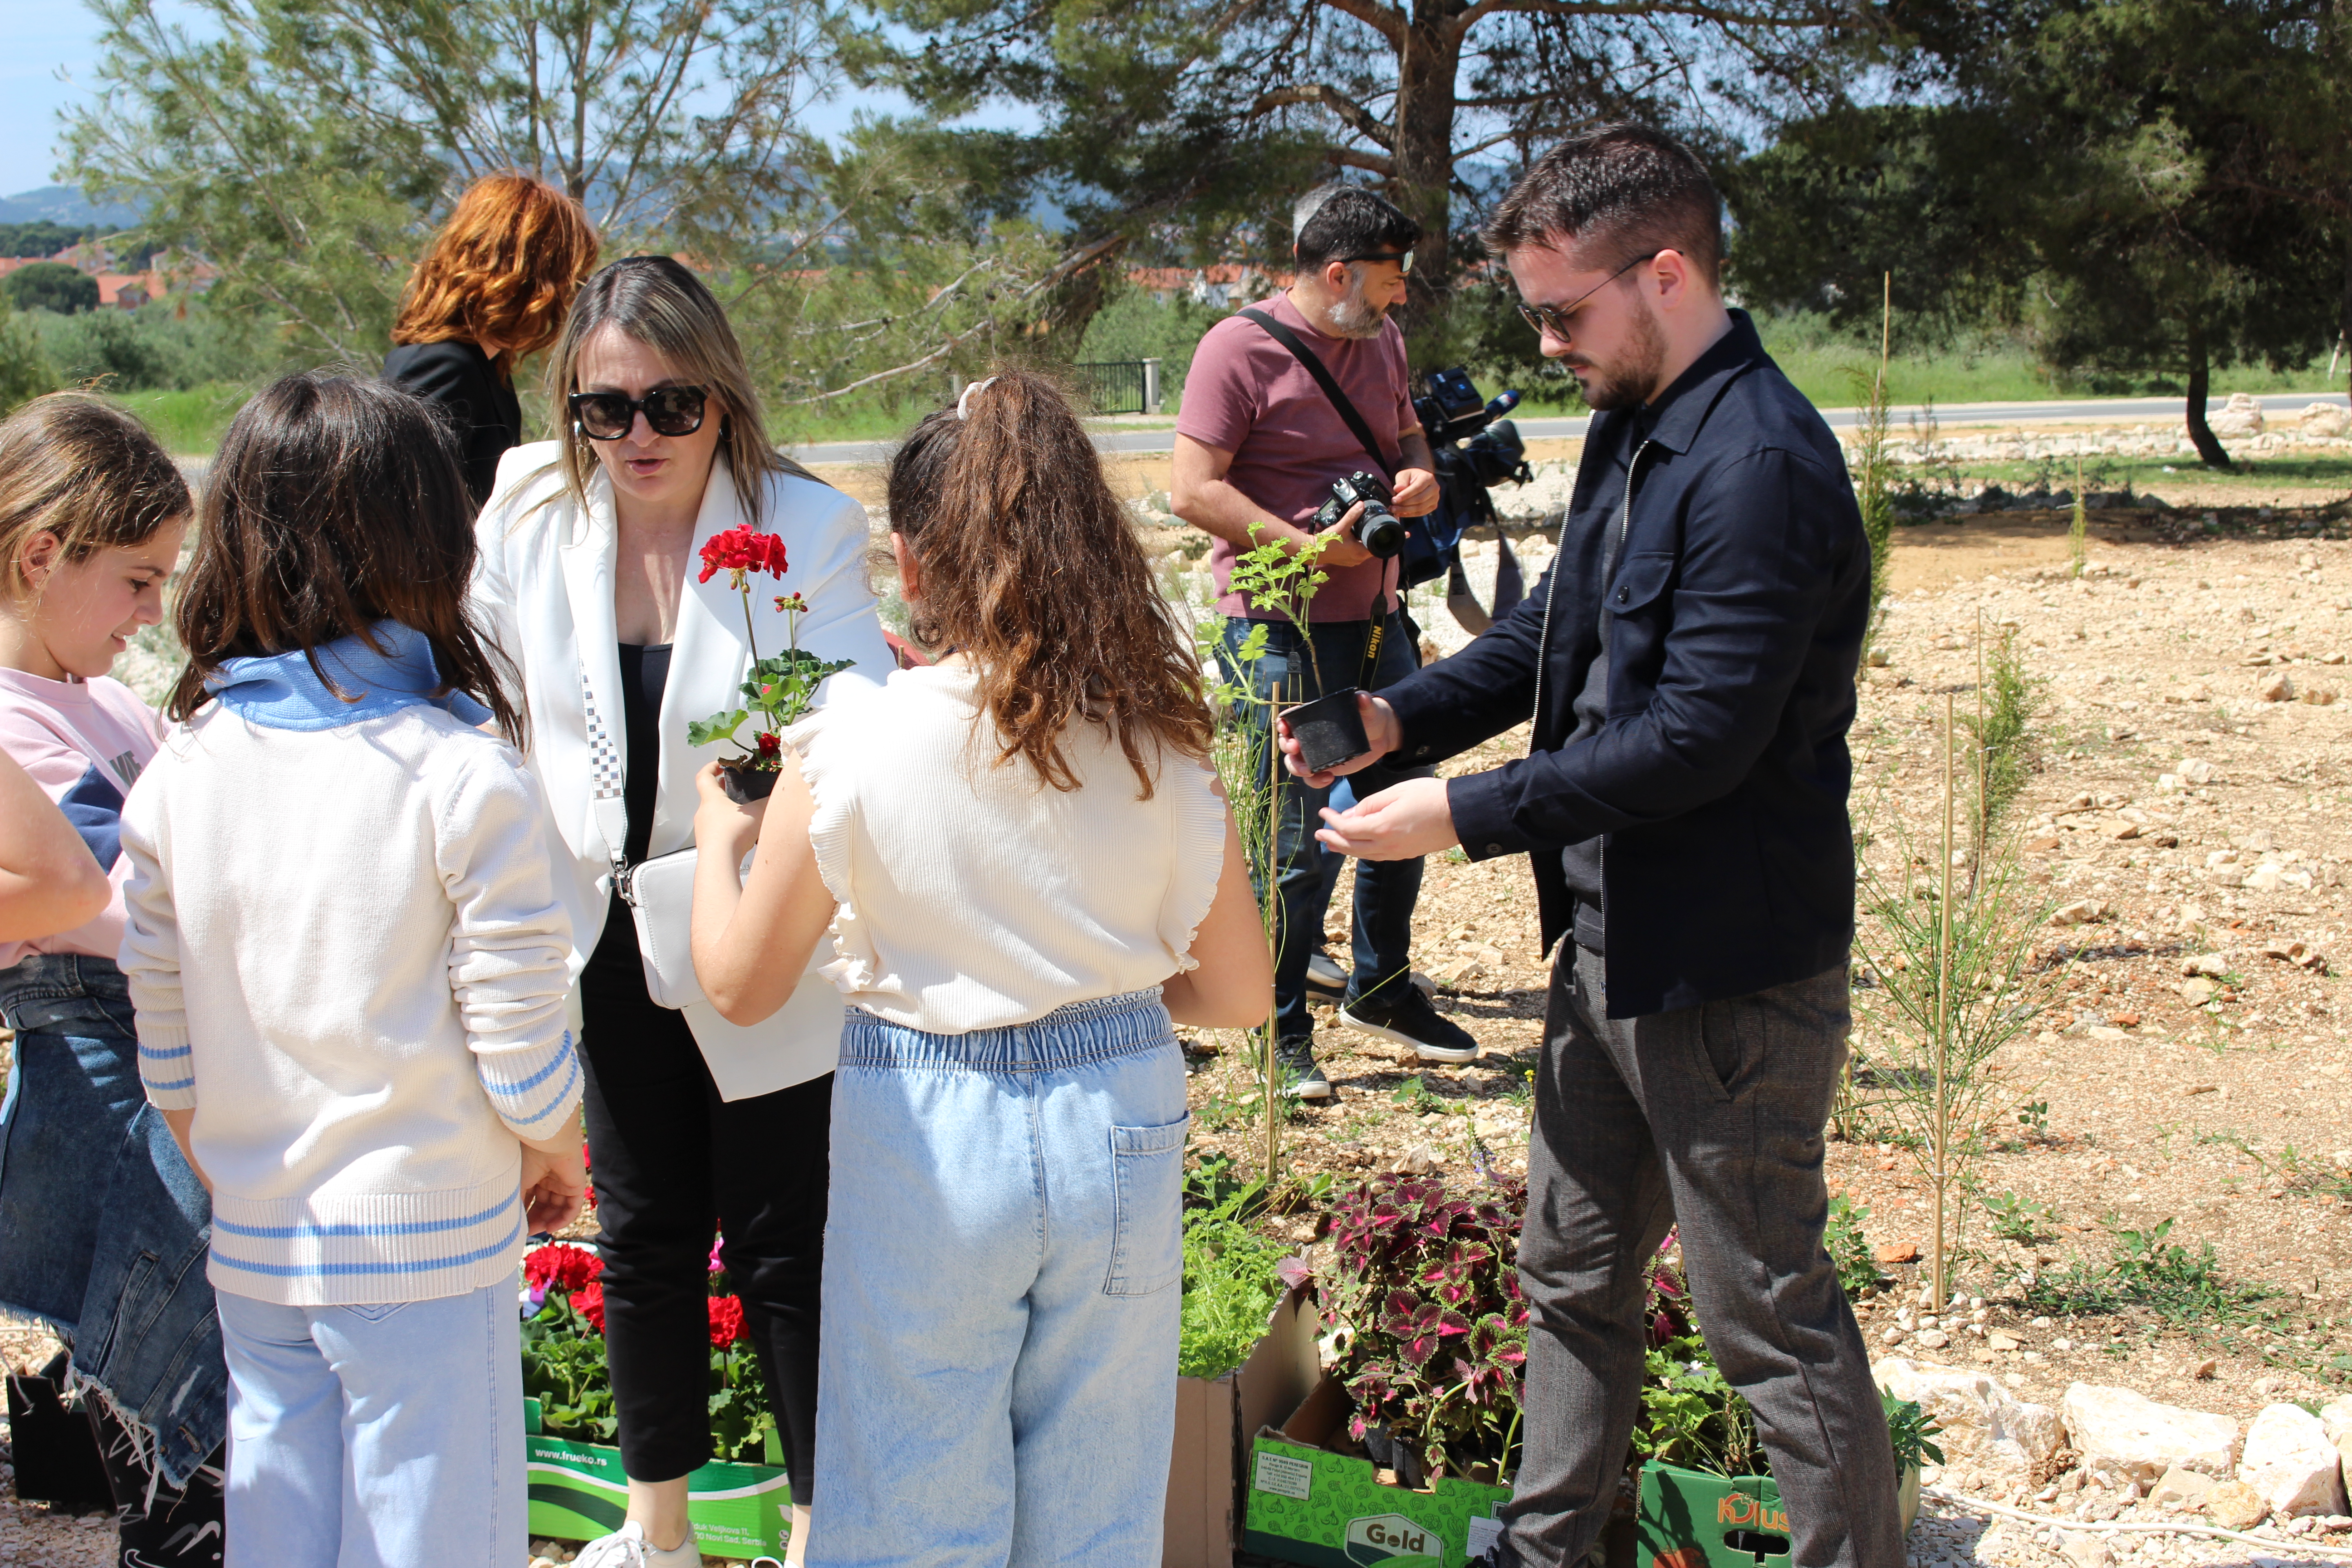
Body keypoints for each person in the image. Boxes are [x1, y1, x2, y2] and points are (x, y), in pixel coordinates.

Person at [1287, 125, 1894, 1568]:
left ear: (1667, 273)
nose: (1547, 343)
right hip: (1611, 946)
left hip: (1729, 971)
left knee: (1766, 1318)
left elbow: (1697, 742)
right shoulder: (1641, 415)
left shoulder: (1760, 466)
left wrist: (1464, 814)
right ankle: (1548, 1548)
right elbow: (1555, 636)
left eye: (1563, 312)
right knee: (1569, 1270)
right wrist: (1395, 715)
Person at [689, 368, 1270, 1568]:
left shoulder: (851, 735)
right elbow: (1238, 993)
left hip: (930, 1121)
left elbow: (741, 985)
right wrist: (1086, 972)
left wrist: (715, 845)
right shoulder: (1157, 729)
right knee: (1097, 1506)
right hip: (1118, 1105)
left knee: (912, 1503)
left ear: (908, 559)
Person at [117, 372, 588, 1568]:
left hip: (260, 1237)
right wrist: (551, 1151)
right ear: (433, 541)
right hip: (425, 1239)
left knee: (281, 1522)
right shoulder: (457, 771)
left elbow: (165, 1046)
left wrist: (237, 1164)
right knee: (439, 1535)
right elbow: (520, 1040)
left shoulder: (185, 765)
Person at [470, 255, 892, 1568]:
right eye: (607, 409)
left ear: (723, 398)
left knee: (784, 1239)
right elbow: (486, 697)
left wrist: (756, 810)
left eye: (672, 405)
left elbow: (853, 717)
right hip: (586, 925)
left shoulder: (802, 528)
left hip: (746, 917)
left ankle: (822, 1529)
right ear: (570, 408)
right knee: (640, 1229)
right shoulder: (528, 512)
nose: (639, 435)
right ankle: (655, 1528)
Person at [1171, 182, 1475, 1100]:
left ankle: (1381, 988)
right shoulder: (1238, 349)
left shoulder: (1379, 337)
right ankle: (1279, 1030)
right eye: (1388, 280)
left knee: (1403, 809)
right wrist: (1307, 547)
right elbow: (1191, 489)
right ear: (1335, 271)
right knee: (1297, 840)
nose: (1400, 298)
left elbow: (1405, 427)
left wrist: (1417, 471)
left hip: (1381, 623)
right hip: (1285, 631)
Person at [0, 392, 231, 1568]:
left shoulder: (108, 705)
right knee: (177, 1432)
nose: (154, 613)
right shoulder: (13, 725)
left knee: (195, 1441)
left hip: (159, 1063)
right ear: (44, 555)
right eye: (139, 581)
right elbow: (121, 885)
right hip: (111, 1087)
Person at [385, 172, 600, 507]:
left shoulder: (487, 366)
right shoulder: (443, 366)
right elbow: (400, 507)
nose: (573, 294)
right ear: (530, 277)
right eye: (568, 276)